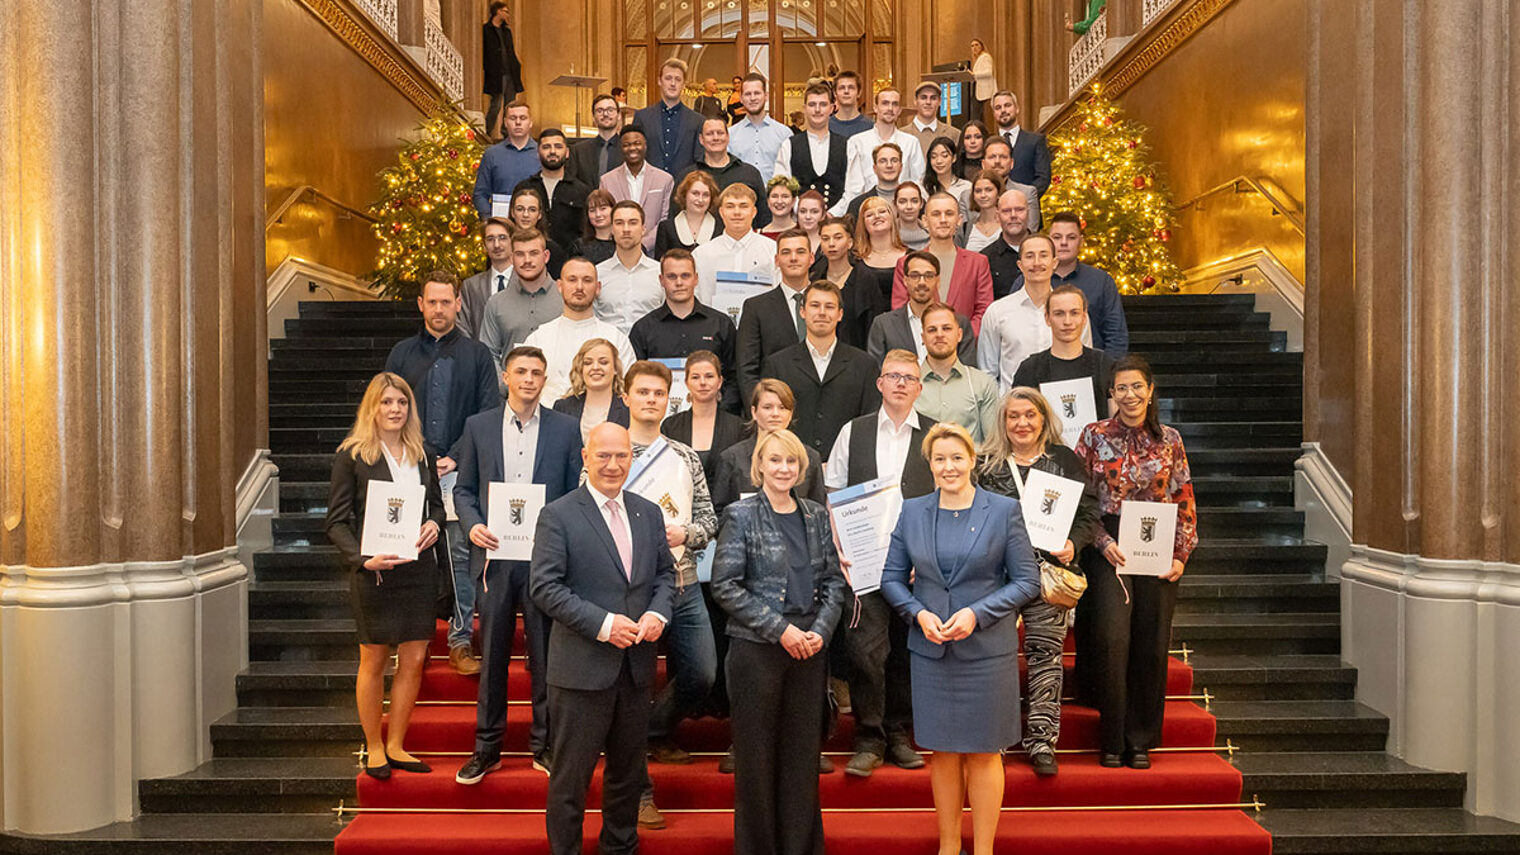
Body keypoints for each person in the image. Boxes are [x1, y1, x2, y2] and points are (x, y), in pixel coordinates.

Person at [880, 422, 1040, 855]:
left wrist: (977, 613)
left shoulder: (1003, 510)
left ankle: (984, 849)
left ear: (972, 460)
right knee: (943, 753)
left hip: (988, 653)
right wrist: (918, 614)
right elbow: (891, 579)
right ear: (928, 464)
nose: (948, 467)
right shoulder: (912, 511)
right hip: (932, 652)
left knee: (985, 753)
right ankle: (949, 846)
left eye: (956, 457)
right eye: (939, 459)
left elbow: (1028, 581)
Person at [529, 422, 677, 855]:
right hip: (580, 671)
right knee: (571, 780)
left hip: (635, 670)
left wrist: (657, 612)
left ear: (632, 458)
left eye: (622, 456)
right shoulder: (558, 514)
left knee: (628, 776)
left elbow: (665, 576)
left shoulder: (648, 512)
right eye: (604, 456)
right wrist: (605, 624)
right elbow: (545, 588)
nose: (613, 465)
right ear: (585, 456)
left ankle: (619, 847)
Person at [710, 428, 848, 855]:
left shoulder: (816, 515)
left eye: (791, 461)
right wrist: (781, 630)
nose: (784, 468)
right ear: (760, 467)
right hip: (757, 652)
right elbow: (726, 586)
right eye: (775, 460)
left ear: (801, 467)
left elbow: (833, 584)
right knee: (757, 761)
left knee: (801, 759)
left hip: (808, 651)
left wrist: (819, 633)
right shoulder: (740, 515)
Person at [451, 347, 584, 784]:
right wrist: (471, 526)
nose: (529, 379)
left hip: (545, 561)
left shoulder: (566, 430)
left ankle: (545, 746)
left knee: (547, 657)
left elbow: (571, 496)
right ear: (506, 376)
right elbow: (464, 490)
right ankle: (487, 748)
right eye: (521, 371)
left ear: (546, 381)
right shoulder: (477, 426)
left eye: (537, 373)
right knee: (492, 656)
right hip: (494, 557)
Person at [1073, 355, 1198, 770]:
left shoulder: (1170, 439)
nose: (1129, 395)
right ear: (1111, 394)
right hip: (1109, 544)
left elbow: (1184, 496)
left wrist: (1181, 554)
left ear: (1150, 390)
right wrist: (1102, 541)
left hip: (1159, 543)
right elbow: (1080, 499)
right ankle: (1111, 738)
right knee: (1113, 640)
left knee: (1150, 641)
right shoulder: (1092, 436)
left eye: (1136, 387)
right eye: (1121, 388)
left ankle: (1139, 739)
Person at [974, 386, 1101, 777]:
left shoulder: (1063, 460)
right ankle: (993, 737)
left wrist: (1072, 544)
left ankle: (1042, 741)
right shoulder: (985, 464)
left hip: (1048, 576)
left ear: (1043, 419)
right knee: (993, 658)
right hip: (997, 579)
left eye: (1030, 415)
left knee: (1046, 656)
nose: (1022, 423)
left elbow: (1089, 510)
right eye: (1013, 416)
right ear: (1002, 421)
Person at [325, 372, 447, 779]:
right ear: (372, 408)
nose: (395, 410)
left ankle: (397, 744)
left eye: (402, 402)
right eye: (386, 402)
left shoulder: (422, 453)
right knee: (373, 659)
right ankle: (374, 747)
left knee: (413, 659)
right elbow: (336, 522)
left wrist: (434, 523)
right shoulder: (352, 455)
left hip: (417, 571)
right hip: (374, 572)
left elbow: (436, 507)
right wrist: (362, 558)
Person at [824, 350, 934, 778]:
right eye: (893, 376)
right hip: (865, 561)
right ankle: (868, 738)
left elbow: (944, 497)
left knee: (906, 652)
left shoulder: (934, 436)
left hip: (916, 566)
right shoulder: (855, 431)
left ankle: (899, 734)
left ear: (920, 387)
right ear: (880, 383)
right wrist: (840, 544)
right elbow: (833, 491)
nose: (901, 383)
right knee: (866, 653)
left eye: (909, 377)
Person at [383, 271, 498, 672]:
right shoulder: (401, 355)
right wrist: (414, 455)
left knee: (460, 554)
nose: (438, 309)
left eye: (445, 302)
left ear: (458, 304)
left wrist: (455, 457)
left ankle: (460, 640)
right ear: (420, 304)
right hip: (407, 470)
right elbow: (388, 406)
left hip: (457, 472)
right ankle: (404, 641)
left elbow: (486, 414)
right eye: (431, 302)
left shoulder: (477, 356)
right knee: (405, 555)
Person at [619, 362, 719, 772]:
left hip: (684, 581)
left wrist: (686, 533)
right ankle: (633, 751)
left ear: (668, 399)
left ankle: (652, 731)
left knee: (703, 673)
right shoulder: (609, 449)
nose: (650, 400)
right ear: (625, 397)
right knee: (634, 680)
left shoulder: (683, 455)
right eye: (642, 392)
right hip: (630, 586)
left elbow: (710, 521)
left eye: (658, 394)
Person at [760, 280, 881, 460]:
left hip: (847, 468)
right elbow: (770, 423)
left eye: (829, 306)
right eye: (815, 305)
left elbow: (869, 424)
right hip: (792, 466)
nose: (822, 312)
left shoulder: (864, 365)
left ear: (840, 314)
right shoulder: (777, 365)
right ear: (802, 311)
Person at [630, 249, 741, 412]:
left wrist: (720, 412)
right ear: (661, 280)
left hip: (714, 419)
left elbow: (734, 376)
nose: (679, 282)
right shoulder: (643, 329)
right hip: (658, 421)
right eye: (672, 276)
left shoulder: (721, 324)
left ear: (696, 279)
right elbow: (635, 381)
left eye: (685, 276)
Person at [979, 233, 1091, 392]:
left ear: (1054, 263)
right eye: (1030, 256)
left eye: (1043, 255)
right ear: (1020, 264)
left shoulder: (1072, 312)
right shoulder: (997, 312)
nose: (1036, 263)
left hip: (1064, 405)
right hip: (1016, 410)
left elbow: (1085, 363)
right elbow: (987, 372)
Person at [523, 257, 638, 402]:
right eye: (572, 279)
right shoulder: (538, 339)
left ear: (598, 288)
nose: (579, 287)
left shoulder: (616, 339)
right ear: (559, 286)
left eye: (587, 280)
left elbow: (629, 389)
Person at [711, 378, 828, 514]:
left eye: (782, 408)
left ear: (790, 414)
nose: (775, 414)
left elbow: (818, 510)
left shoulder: (810, 458)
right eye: (767, 407)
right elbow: (718, 513)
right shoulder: (731, 458)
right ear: (754, 412)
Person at [891, 193, 996, 334]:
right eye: (936, 214)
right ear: (925, 221)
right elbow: (900, 310)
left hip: (964, 347)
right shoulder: (906, 263)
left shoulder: (978, 263)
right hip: (918, 346)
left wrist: (960, 337)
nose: (943, 220)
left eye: (949, 214)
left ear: (959, 220)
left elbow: (984, 309)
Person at [1012, 284, 1116, 421]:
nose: (1067, 322)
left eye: (1074, 313)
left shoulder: (1104, 364)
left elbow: (1116, 423)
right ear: (1047, 319)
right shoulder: (1030, 369)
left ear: (1084, 318)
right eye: (1059, 314)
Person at [734, 229, 813, 401]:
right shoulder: (756, 307)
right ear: (777, 260)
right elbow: (746, 369)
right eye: (786, 252)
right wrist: (758, 411)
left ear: (811, 258)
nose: (793, 258)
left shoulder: (828, 303)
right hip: (774, 409)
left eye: (800, 252)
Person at [867, 251, 976, 366]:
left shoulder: (959, 323)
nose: (922, 282)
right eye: (915, 276)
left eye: (929, 276)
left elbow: (968, 371)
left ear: (938, 281)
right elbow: (876, 371)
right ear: (905, 280)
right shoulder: (884, 325)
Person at [1045, 211, 1130, 356]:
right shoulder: (1032, 280)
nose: (1064, 243)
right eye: (1057, 237)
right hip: (1042, 370)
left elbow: (1116, 335)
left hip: (1093, 370)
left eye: (1071, 237)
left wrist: (1106, 373)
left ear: (1081, 242)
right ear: (1048, 241)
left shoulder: (1102, 281)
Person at [478, 228, 563, 366]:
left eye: (533, 253)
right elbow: (488, 354)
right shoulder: (496, 303)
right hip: (509, 387)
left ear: (546, 256)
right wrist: (505, 385)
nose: (527, 260)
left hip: (558, 386)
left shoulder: (565, 298)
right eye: (520, 254)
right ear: (511, 259)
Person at [917, 302, 1000, 443]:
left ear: (959, 335)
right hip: (920, 464)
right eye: (932, 330)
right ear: (923, 338)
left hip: (971, 464)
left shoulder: (982, 384)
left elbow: (993, 446)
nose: (939, 334)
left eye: (947, 328)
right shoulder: (908, 384)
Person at [662, 350, 748, 483]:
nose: (702, 382)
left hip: (728, 503)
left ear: (719, 382)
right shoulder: (671, 426)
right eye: (695, 377)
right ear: (686, 383)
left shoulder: (738, 427)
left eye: (709, 376)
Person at [693, 183, 777, 306]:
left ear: (754, 212)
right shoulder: (701, 255)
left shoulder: (772, 251)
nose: (737, 212)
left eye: (743, 206)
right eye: (730, 206)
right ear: (721, 212)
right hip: (714, 323)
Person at [675, 117, 768, 228]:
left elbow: (764, 218)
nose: (715, 138)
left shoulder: (750, 174)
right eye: (709, 134)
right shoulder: (687, 176)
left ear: (728, 137)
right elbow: (676, 217)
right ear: (701, 139)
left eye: (720, 133)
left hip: (741, 242)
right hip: (697, 243)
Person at [773, 83, 850, 216]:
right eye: (812, 104)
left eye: (823, 104)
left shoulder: (847, 145)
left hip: (837, 224)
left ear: (832, 108)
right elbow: (782, 187)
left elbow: (854, 188)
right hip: (799, 223)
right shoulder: (789, 145)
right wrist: (803, 212)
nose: (817, 110)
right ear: (804, 108)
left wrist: (833, 214)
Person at [813, 215, 885, 351]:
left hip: (857, 354)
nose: (831, 244)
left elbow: (874, 325)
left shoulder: (865, 279)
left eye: (838, 237)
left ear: (850, 242)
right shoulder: (815, 277)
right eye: (825, 239)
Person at [513, 128, 591, 252]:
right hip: (529, 258)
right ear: (537, 153)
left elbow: (587, 233)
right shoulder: (524, 188)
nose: (552, 151)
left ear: (567, 153)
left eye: (558, 147)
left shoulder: (581, 191)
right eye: (546, 147)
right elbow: (513, 228)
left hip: (570, 261)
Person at [600, 125, 675, 252]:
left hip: (653, 252)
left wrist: (644, 245)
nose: (632, 148)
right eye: (626, 145)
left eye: (637, 143)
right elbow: (606, 219)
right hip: (618, 251)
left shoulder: (665, 180)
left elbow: (665, 219)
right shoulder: (607, 181)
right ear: (621, 148)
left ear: (645, 146)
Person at [594, 201, 663, 335]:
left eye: (633, 222)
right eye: (619, 223)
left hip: (649, 351)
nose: (626, 229)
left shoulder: (661, 273)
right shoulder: (597, 273)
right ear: (612, 229)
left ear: (643, 229)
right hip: (608, 351)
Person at [844, 87, 926, 200]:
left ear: (900, 110)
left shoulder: (911, 142)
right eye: (885, 103)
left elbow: (919, 183)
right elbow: (853, 188)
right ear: (875, 108)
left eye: (895, 104)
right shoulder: (857, 142)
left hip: (902, 210)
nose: (890, 108)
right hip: (869, 209)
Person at [633, 58, 704, 174]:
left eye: (678, 79)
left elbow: (699, 161)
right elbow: (635, 156)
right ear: (659, 81)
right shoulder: (642, 117)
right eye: (668, 78)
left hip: (684, 187)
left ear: (683, 84)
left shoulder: (697, 121)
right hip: (649, 186)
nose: (672, 83)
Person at [552, 337, 631, 439]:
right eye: (588, 363)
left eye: (603, 362)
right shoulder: (562, 407)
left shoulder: (629, 408)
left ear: (616, 368)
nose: (595, 367)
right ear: (581, 369)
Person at [473, 100, 538, 220]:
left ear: (530, 122)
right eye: (513, 118)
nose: (518, 122)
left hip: (535, 228)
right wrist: (488, 220)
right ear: (505, 123)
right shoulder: (491, 155)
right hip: (500, 224)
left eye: (523, 118)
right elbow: (480, 193)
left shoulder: (541, 154)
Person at [989, 91, 1051, 203]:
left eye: (1007, 105)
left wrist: (1021, 198)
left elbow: (1043, 178)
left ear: (1017, 109)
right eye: (998, 107)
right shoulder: (988, 144)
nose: (1003, 110)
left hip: (1027, 209)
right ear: (994, 113)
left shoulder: (1035, 141)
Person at [728, 73, 792, 180]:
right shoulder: (730, 135)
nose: (753, 98)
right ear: (741, 98)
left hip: (773, 196)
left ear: (766, 96)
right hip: (742, 195)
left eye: (757, 93)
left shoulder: (784, 134)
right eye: (748, 94)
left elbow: (791, 174)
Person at [459, 217, 514, 340]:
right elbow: (462, 327)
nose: (496, 245)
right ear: (484, 245)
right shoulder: (470, 286)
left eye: (502, 238)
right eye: (490, 239)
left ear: (513, 241)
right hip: (481, 356)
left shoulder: (525, 282)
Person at [979, 137, 1042, 233]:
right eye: (992, 157)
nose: (997, 161)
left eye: (1003, 157)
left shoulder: (1027, 193)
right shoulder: (968, 196)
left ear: (1012, 163)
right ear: (983, 164)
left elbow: (1031, 231)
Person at [653, 169, 722, 257]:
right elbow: (660, 264)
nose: (700, 200)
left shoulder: (721, 228)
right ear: (685, 194)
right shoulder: (666, 228)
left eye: (706, 195)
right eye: (695, 193)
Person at [854, 196, 908, 308]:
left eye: (882, 211)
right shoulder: (854, 260)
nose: (877, 216)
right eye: (869, 215)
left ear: (892, 217)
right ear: (863, 223)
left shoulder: (911, 258)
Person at [506, 186, 570, 279]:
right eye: (520, 209)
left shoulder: (554, 251)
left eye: (532, 210)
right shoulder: (502, 247)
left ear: (539, 214)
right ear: (512, 212)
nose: (525, 215)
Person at [482, 2, 524, 140]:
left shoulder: (506, 31)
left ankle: (506, 133)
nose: (507, 14)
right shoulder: (486, 30)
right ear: (498, 12)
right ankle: (488, 131)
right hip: (496, 73)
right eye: (505, 11)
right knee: (496, 104)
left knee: (510, 105)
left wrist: (517, 65)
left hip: (510, 72)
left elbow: (510, 51)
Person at [982, 187, 1033, 300]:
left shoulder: (1046, 252)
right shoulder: (984, 259)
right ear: (997, 216)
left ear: (1028, 213)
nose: (1013, 215)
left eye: (1019, 209)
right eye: (1006, 211)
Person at [569, 93, 625, 186]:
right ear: (593, 117)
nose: (605, 114)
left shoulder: (627, 149)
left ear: (619, 115)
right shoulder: (578, 151)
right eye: (600, 110)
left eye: (610, 110)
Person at [845, 141, 905, 220]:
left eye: (894, 160)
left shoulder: (914, 201)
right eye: (883, 161)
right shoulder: (858, 205)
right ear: (875, 168)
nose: (889, 165)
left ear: (901, 167)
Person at [923, 136, 972, 221]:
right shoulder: (922, 188)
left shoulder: (967, 187)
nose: (939, 161)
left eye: (944, 156)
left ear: (954, 158)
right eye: (934, 157)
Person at [908, 80, 961, 152]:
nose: (928, 102)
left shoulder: (954, 135)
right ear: (915, 101)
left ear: (940, 101)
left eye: (933, 98)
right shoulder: (902, 134)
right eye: (923, 97)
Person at [568, 189, 616, 265]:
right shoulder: (579, 246)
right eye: (592, 210)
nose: (598, 214)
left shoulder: (622, 243)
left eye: (603, 208)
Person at [962, 170, 1005, 253]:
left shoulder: (1008, 225)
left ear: (999, 193)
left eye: (988, 190)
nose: (983, 195)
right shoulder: (965, 228)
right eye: (978, 191)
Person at [828, 70, 874, 138]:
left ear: (859, 92)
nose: (846, 91)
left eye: (851, 88)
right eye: (842, 88)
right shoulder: (826, 126)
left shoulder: (870, 127)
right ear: (835, 93)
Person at [894, 182, 929, 250]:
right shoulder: (886, 237)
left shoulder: (933, 237)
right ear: (895, 204)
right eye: (902, 201)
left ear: (921, 204)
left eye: (914, 201)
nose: (909, 206)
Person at [970, 38, 997, 122]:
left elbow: (988, 72)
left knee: (978, 114)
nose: (974, 47)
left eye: (976, 45)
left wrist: (974, 75)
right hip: (978, 90)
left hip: (984, 91)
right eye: (972, 46)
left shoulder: (985, 57)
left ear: (981, 46)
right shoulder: (978, 59)